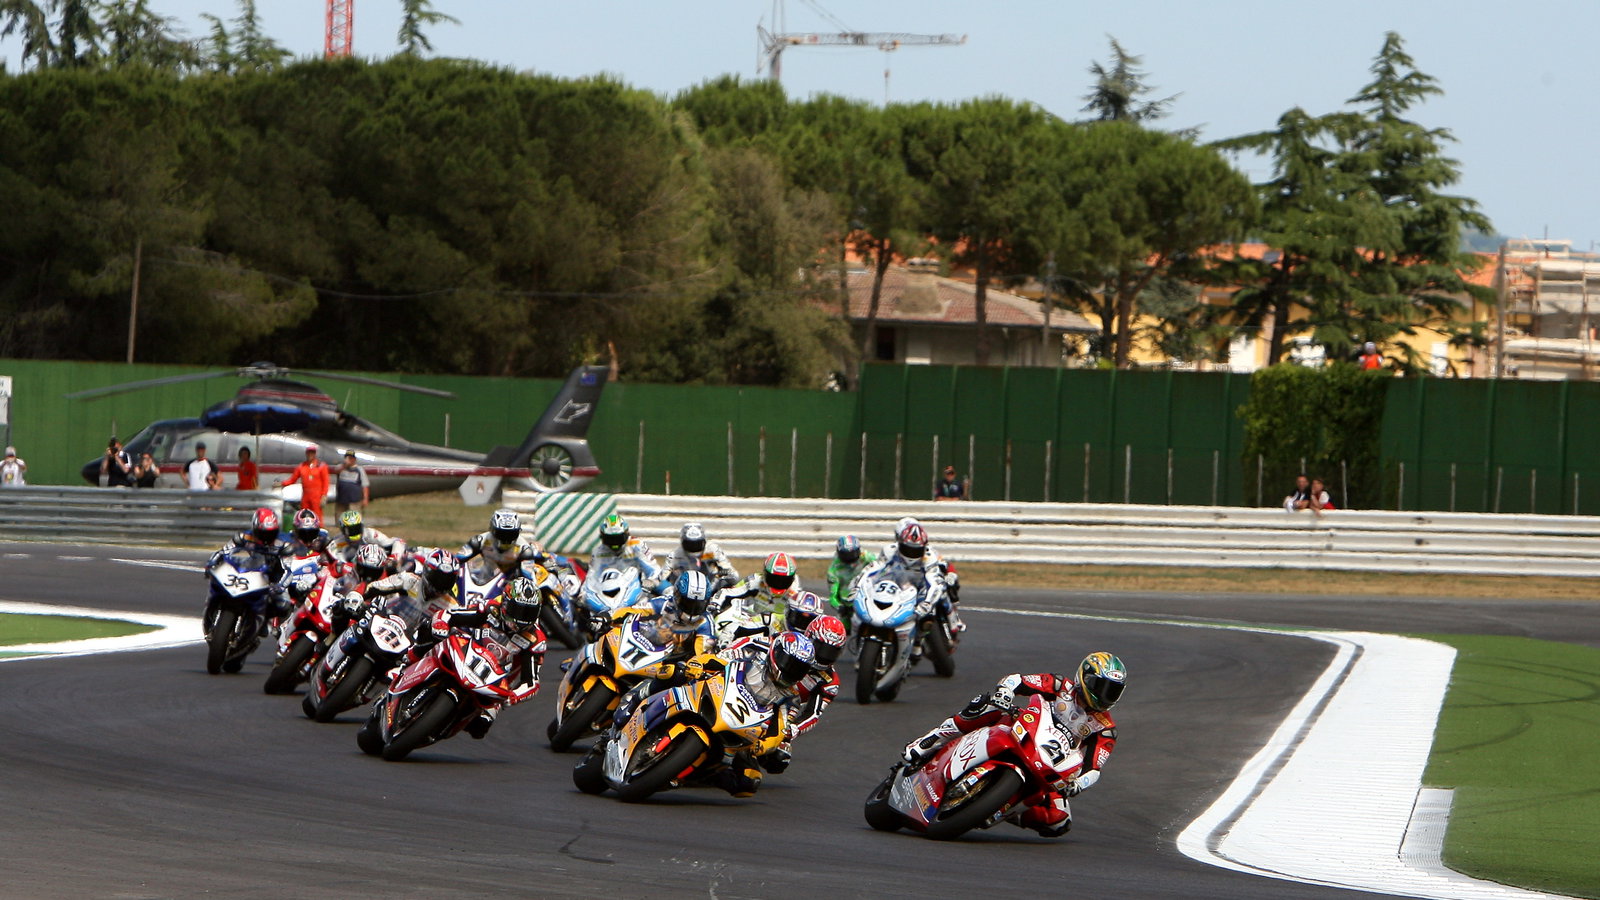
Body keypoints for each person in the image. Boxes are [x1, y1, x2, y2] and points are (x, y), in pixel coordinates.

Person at [902, 652, 1127, 837]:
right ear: (1084, 678)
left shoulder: (1105, 728)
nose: (1105, 695)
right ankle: (928, 741)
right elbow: (1017, 680)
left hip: (1051, 763)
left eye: (1113, 690)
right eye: (1101, 686)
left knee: (1059, 821)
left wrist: (1079, 783)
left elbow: (1094, 767)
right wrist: (1005, 692)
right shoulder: (1060, 685)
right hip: (1021, 727)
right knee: (989, 705)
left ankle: (1004, 810)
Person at [418, 573, 548, 739]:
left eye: (529, 612)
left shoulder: (535, 640)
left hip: (495, 681)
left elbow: (531, 682)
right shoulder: (491, 608)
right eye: (518, 610)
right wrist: (441, 624)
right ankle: (407, 662)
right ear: (506, 603)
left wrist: (514, 696)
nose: (522, 617)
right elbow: (452, 615)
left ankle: (444, 725)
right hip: (465, 652)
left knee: (480, 727)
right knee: (427, 629)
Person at [879, 520, 961, 633]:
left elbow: (944, 565)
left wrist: (949, 575)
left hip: (924, 584)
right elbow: (880, 570)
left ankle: (954, 618)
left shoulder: (930, 553)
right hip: (903, 585)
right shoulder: (891, 551)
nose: (911, 552)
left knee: (945, 588)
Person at [458, 508, 559, 576]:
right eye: (502, 534)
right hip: (486, 577)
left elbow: (528, 575)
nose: (506, 539)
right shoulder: (479, 541)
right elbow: (458, 559)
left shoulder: (524, 549)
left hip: (510, 583)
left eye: (511, 534)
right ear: (492, 530)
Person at [713, 551, 801, 628]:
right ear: (765, 574)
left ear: (792, 579)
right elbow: (727, 592)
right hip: (748, 619)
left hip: (778, 625)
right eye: (774, 579)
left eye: (784, 580)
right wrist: (715, 604)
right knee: (718, 623)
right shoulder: (755, 580)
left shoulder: (795, 592)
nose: (778, 583)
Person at [587, 513, 664, 590]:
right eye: (610, 539)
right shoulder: (598, 552)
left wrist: (651, 581)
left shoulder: (636, 544)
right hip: (610, 590)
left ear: (627, 534)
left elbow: (653, 569)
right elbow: (592, 577)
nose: (615, 543)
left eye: (619, 538)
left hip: (637, 587)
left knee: (666, 589)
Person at [664, 522, 739, 586]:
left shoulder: (712, 550)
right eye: (689, 544)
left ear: (704, 541)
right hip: (683, 590)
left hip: (711, 586)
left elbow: (733, 574)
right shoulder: (675, 555)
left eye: (697, 543)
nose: (693, 546)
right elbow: (663, 577)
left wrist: (723, 572)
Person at [327, 510, 407, 570]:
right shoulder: (337, 541)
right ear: (343, 530)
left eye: (356, 528)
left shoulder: (370, 533)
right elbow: (332, 558)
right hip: (355, 572)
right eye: (349, 530)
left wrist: (393, 558)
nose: (354, 533)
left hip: (380, 567)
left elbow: (398, 541)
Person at [826, 535, 877, 625]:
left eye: (852, 554)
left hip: (868, 597)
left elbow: (881, 567)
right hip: (848, 605)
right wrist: (840, 607)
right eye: (846, 555)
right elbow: (833, 597)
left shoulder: (866, 557)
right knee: (842, 629)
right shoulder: (834, 569)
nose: (850, 558)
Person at [280, 445, 331, 522]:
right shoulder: (301, 466)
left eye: (312, 452)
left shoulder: (321, 466)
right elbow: (292, 480)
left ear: (315, 454)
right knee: (304, 515)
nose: (310, 454)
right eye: (309, 452)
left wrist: (324, 495)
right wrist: (282, 484)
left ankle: (319, 531)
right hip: (306, 495)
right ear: (306, 453)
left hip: (317, 496)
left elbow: (326, 482)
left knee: (317, 517)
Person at [334, 450, 369, 515]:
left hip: (354, 501)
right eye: (347, 458)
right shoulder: (340, 467)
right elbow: (336, 471)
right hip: (342, 500)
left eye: (350, 458)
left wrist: (365, 498)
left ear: (354, 459)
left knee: (353, 520)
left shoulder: (359, 470)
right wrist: (344, 466)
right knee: (340, 518)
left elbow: (365, 485)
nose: (348, 460)